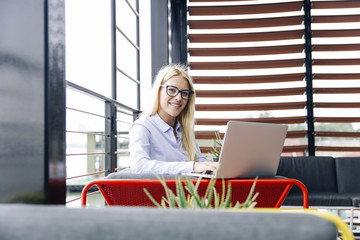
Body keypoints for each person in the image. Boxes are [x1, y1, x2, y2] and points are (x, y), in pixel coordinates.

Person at [129, 64, 218, 174]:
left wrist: (215, 167)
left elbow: (201, 163)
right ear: (158, 91)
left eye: (184, 93)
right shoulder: (142, 127)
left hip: (188, 190)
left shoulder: (184, 131)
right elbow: (139, 166)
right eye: (171, 90)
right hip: (158, 191)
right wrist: (192, 167)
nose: (178, 98)